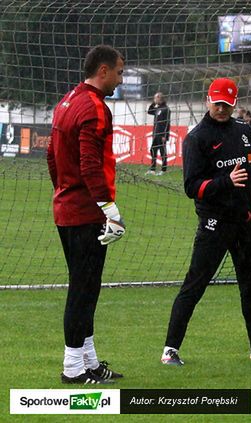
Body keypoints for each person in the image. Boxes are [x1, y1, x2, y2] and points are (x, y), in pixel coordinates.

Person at [161, 77, 251, 365]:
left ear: (234, 103)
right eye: (217, 102)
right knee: (195, 285)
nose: (221, 108)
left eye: (227, 104)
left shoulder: (244, 132)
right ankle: (170, 350)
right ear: (208, 100)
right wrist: (225, 181)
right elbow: (192, 187)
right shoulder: (197, 138)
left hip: (246, 222)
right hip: (215, 223)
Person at [46, 44, 127, 384]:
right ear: (103, 70)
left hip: (67, 208)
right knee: (82, 289)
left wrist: (62, 191)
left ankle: (89, 362)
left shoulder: (67, 102)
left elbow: (51, 155)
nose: (120, 80)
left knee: (88, 288)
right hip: (85, 213)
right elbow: (91, 165)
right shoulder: (94, 108)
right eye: (119, 72)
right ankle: (73, 369)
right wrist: (109, 209)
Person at [146, 92, 171, 175]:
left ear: (160, 98)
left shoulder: (166, 109)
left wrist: (165, 135)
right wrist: (154, 103)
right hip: (156, 134)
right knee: (153, 150)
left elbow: (167, 123)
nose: (154, 100)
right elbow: (149, 111)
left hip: (161, 134)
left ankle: (163, 169)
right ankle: (152, 169)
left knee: (162, 151)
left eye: (155, 98)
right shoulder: (158, 109)